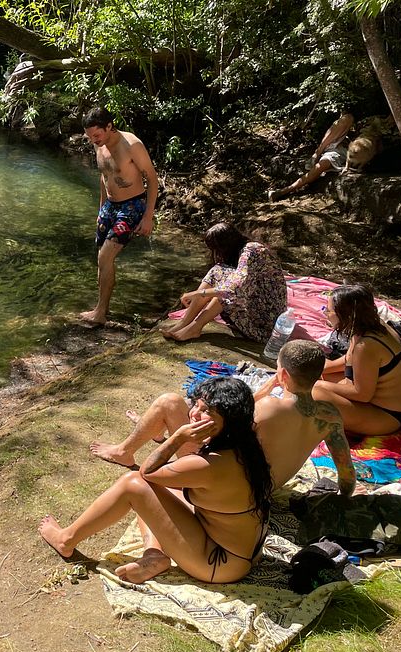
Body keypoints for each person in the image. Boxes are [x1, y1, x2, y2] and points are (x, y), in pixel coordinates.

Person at [40, 377, 272, 584]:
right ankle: (155, 555)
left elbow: (147, 472)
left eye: (206, 412)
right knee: (154, 491)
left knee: (133, 484)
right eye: (197, 405)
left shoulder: (208, 464)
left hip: (219, 563)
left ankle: (66, 540)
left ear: (228, 423)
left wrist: (178, 438)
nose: (193, 414)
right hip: (238, 552)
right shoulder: (246, 446)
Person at [91, 340, 355, 496]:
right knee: (180, 409)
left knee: (168, 403)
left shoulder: (268, 409)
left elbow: (216, 434)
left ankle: (125, 451)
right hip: (266, 490)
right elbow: (347, 475)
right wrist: (344, 497)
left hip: (232, 490)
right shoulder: (330, 416)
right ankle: (151, 431)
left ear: (283, 375)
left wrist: (181, 429)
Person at [79, 106, 159, 325]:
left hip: (132, 206)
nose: (93, 140)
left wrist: (148, 216)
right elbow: (104, 177)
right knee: (101, 259)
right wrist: (101, 209)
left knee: (105, 257)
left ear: (109, 126)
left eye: (97, 135)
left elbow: (152, 180)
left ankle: (101, 313)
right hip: (110, 207)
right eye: (90, 136)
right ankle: (100, 307)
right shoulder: (100, 145)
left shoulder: (132, 145)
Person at [161, 223, 287, 343]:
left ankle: (194, 328)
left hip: (264, 322)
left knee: (227, 288)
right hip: (255, 303)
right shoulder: (245, 249)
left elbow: (233, 289)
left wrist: (198, 293)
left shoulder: (252, 251)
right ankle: (184, 323)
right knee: (217, 270)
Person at [313, 284, 401, 435]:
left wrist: (318, 384)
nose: (325, 313)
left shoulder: (367, 346)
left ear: (345, 314)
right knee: (316, 375)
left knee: (314, 393)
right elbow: (350, 359)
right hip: (372, 402)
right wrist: (320, 369)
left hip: (386, 416)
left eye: (328, 310)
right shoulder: (371, 326)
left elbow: (362, 394)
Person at [268, 112, 354, 201]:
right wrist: (318, 152)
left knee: (323, 163)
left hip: (348, 151)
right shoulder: (346, 118)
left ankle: (284, 191)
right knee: (347, 118)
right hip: (334, 147)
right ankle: (283, 191)